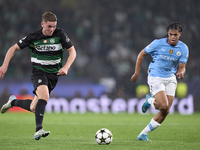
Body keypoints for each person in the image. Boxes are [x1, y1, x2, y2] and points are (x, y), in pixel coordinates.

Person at [0, 12, 76, 140]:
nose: (52, 29)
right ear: (42, 24)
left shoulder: (60, 34)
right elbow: (13, 48)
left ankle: (12, 101)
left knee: (33, 108)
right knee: (44, 96)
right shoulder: (34, 37)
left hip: (54, 75)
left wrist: (66, 67)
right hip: (39, 72)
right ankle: (39, 129)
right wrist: (4, 65)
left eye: (54, 26)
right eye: (49, 26)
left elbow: (72, 52)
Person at [131, 22, 189, 141]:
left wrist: (181, 72)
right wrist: (137, 73)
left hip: (170, 78)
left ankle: (143, 134)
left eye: (175, 35)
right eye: (170, 34)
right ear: (168, 34)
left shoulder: (183, 48)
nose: (172, 37)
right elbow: (141, 54)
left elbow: (182, 66)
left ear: (180, 34)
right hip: (155, 76)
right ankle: (150, 99)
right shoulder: (157, 43)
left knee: (166, 110)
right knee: (163, 105)